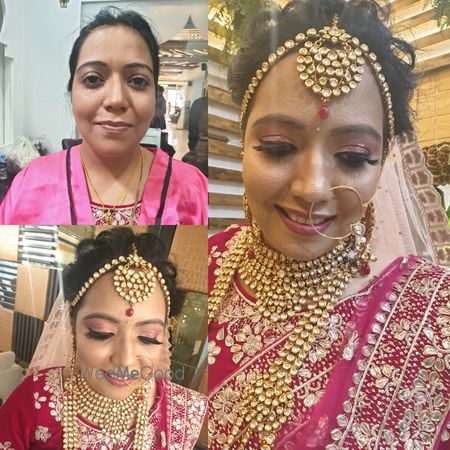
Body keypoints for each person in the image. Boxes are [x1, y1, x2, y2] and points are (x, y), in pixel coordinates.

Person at [207, 1, 450, 449]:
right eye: (277, 147)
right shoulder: (207, 262)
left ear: (382, 165)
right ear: (243, 144)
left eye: (353, 157)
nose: (313, 188)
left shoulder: (435, 314)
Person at [0, 228, 207, 449]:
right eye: (102, 333)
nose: (125, 360)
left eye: (148, 337)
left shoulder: (184, 412)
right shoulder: (33, 400)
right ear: (73, 327)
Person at [0, 8, 207, 225]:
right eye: (93, 79)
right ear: (72, 93)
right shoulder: (29, 185)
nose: (116, 99)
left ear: (155, 96)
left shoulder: (194, 191)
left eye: (137, 81)